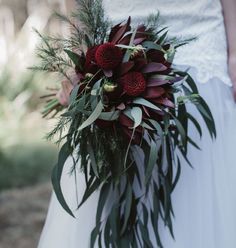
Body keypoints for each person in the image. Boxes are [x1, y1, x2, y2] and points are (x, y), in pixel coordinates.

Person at [38, 0, 236, 247]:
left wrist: (234, 51)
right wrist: (78, 52)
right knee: (121, 188)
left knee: (202, 179)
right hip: (115, 40)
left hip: (203, 41)